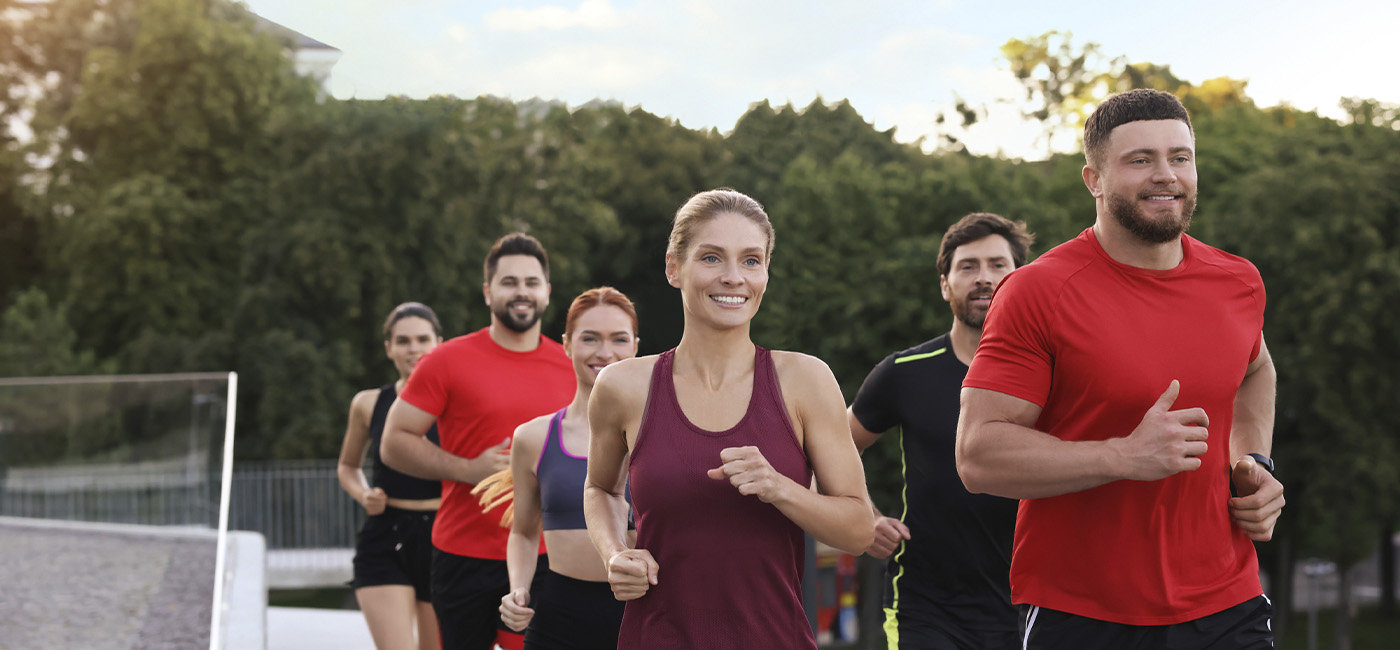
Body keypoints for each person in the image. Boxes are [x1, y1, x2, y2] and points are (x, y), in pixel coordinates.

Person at [957, 88, 1285, 649]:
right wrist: (1121, 456)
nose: (1166, 175)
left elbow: (1256, 369)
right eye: (1140, 161)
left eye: (1180, 157)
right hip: (1085, 614)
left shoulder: (1238, 281)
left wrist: (1250, 461)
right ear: (1094, 179)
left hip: (1228, 603)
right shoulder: (1037, 291)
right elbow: (978, 455)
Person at [583, 188, 876, 650]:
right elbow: (600, 488)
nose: (734, 277)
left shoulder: (806, 379)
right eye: (712, 258)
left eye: (751, 261)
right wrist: (615, 553)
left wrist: (780, 488)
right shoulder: (622, 387)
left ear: (765, 273)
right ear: (673, 268)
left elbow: (859, 531)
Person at [847, 213, 1033, 650]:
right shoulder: (903, 373)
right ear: (946, 285)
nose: (984, 278)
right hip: (926, 607)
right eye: (967, 267)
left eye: (997, 265)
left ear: (1022, 278)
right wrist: (864, 515)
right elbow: (827, 445)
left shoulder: (1058, 375)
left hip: (1035, 604)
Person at [382, 233, 576, 650]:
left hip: (547, 555)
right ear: (488, 292)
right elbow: (394, 441)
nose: (521, 291)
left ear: (546, 291)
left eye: (531, 281)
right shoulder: (447, 360)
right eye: (509, 282)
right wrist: (467, 469)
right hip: (462, 554)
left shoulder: (573, 365)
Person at [492, 287, 640, 650]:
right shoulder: (532, 438)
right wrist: (518, 589)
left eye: (618, 339)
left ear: (635, 346)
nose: (605, 352)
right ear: (567, 344)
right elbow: (524, 533)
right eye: (590, 338)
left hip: (645, 617)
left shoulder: (664, 434)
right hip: (559, 621)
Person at [338, 302, 446, 650]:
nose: (413, 348)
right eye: (402, 341)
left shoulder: (457, 405)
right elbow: (348, 466)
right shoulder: (367, 403)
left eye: (422, 339)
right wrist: (363, 494)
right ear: (389, 348)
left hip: (444, 538)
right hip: (385, 534)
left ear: (438, 343)